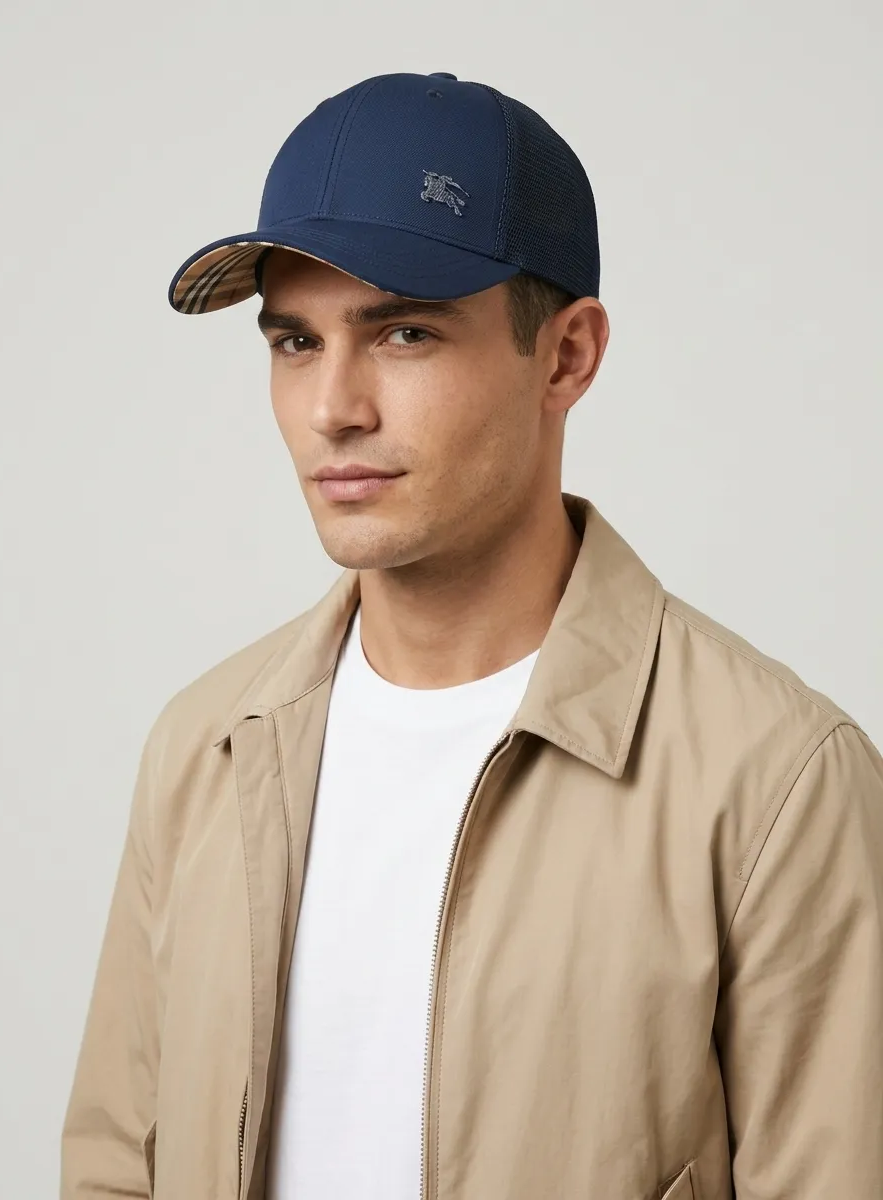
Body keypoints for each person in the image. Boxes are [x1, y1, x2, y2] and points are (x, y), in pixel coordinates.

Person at [61, 71, 883, 1200]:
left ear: (567, 356)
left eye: (403, 332)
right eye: (294, 342)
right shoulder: (207, 746)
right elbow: (117, 1163)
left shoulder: (775, 782)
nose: (332, 408)